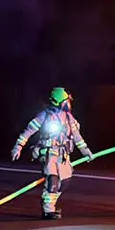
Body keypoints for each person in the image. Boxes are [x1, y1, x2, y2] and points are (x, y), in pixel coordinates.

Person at [11, 87, 94, 220]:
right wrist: (18, 147)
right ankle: (48, 210)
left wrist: (86, 151)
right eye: (66, 100)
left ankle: (50, 199)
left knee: (65, 181)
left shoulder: (68, 118)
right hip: (49, 153)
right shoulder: (43, 116)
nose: (68, 103)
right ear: (59, 102)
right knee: (53, 180)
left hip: (63, 154)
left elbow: (77, 136)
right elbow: (28, 132)